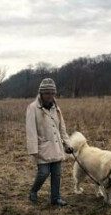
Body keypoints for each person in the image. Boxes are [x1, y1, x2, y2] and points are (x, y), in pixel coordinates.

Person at [25, 78, 73, 207]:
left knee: (57, 174)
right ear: (41, 93)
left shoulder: (57, 108)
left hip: (56, 146)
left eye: (52, 93)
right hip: (42, 147)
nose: (50, 96)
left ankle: (55, 198)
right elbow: (31, 131)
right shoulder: (32, 108)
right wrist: (34, 151)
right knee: (43, 173)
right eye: (47, 93)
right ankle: (33, 191)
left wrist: (68, 144)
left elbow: (62, 128)